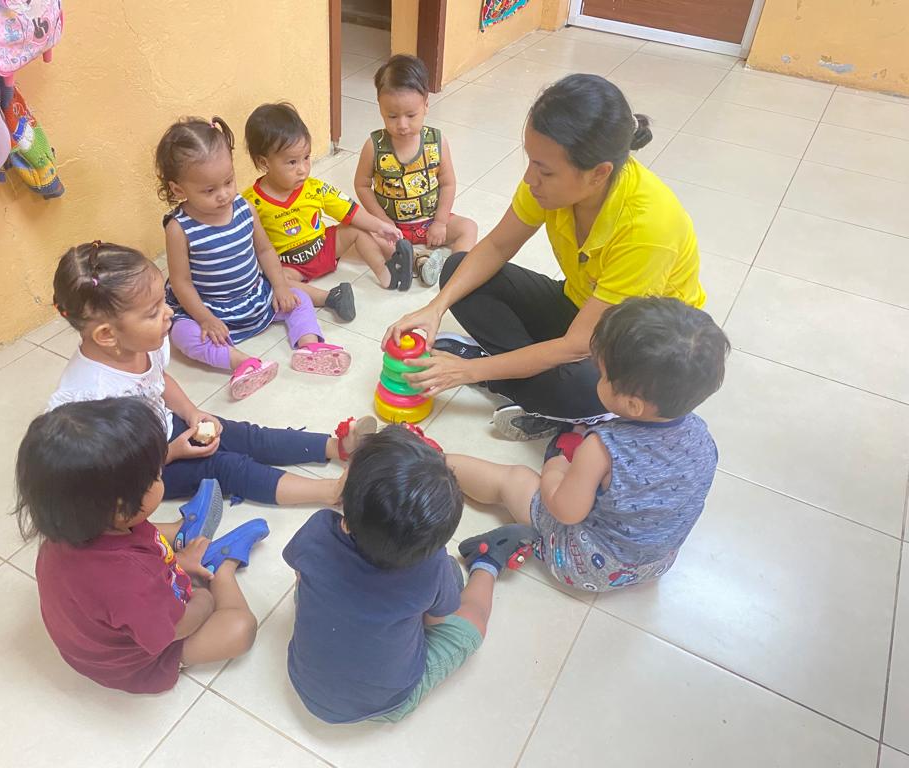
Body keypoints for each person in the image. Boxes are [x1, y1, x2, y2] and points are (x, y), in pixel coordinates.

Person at [385, 73, 706, 440]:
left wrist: (469, 372)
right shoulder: (547, 185)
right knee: (459, 271)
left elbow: (576, 345)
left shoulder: (648, 229)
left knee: (586, 388)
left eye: (545, 170)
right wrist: (435, 308)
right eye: (531, 161)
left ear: (599, 174)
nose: (529, 178)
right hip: (582, 308)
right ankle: (525, 383)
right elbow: (496, 246)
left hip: (633, 350)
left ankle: (522, 384)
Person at [48, 240, 377, 510]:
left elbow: (158, 382)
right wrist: (173, 452)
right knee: (228, 467)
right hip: (146, 469)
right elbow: (114, 470)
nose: (169, 313)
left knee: (247, 436)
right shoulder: (89, 399)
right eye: (153, 312)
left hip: (164, 429)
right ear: (107, 335)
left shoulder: (138, 344)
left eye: (163, 303)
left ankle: (338, 447)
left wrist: (192, 412)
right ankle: (332, 492)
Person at [445, 297, 729, 592]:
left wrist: (555, 467)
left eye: (602, 375)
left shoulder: (601, 449)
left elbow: (565, 511)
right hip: (657, 562)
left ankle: (436, 462)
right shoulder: (702, 435)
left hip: (590, 566)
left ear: (633, 405)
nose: (597, 377)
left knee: (514, 479)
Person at [283, 425, 538, 724]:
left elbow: (300, 578)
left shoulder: (318, 530)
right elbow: (435, 624)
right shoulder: (431, 567)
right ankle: (487, 562)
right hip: (387, 703)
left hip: (304, 680)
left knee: (314, 585)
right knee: (471, 623)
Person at [15, 397, 270, 693]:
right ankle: (221, 569)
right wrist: (203, 600)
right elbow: (177, 628)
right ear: (120, 509)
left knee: (147, 538)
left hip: (101, 635)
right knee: (240, 629)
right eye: (155, 476)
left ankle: (182, 538)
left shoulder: (72, 526)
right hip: (135, 664)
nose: (161, 478)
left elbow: (128, 566)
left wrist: (177, 563)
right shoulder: (129, 579)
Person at [156, 116, 352, 397]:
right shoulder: (179, 228)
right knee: (182, 335)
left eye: (228, 181)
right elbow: (181, 283)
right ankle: (244, 363)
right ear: (178, 190)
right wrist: (205, 318)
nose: (224, 195)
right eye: (209, 190)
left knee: (299, 298)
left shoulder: (244, 208)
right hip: (211, 308)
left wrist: (280, 287)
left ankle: (310, 347)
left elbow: (264, 250)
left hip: (255, 296)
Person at [242, 102, 411, 320]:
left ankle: (386, 274)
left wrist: (381, 227)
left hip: (323, 248)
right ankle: (331, 298)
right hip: (291, 266)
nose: (303, 169)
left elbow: (351, 211)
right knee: (276, 281)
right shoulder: (250, 203)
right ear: (264, 163)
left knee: (356, 230)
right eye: (292, 162)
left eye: (306, 158)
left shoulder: (315, 188)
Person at [354, 54, 478, 287]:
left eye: (411, 115)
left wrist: (440, 222)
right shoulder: (374, 146)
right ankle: (417, 262)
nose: (402, 125)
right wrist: (382, 221)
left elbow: (448, 183)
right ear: (380, 108)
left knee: (468, 228)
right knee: (362, 236)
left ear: (426, 105)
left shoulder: (437, 142)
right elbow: (361, 185)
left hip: (429, 220)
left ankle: (454, 269)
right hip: (392, 227)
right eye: (392, 116)